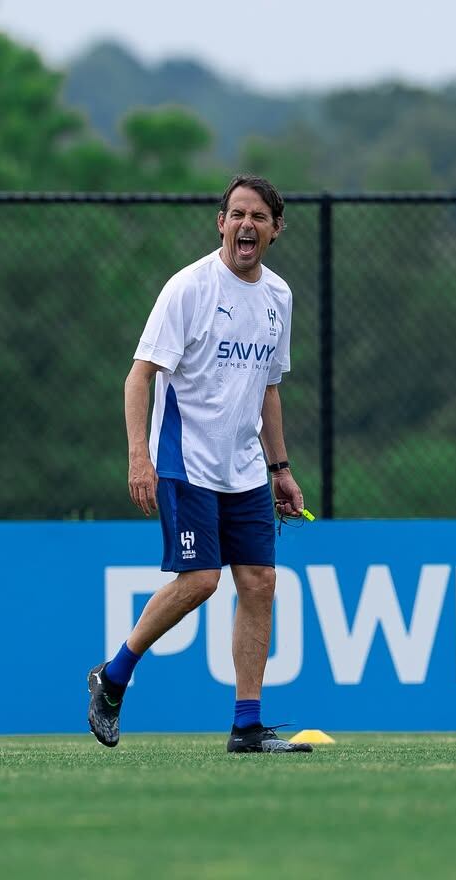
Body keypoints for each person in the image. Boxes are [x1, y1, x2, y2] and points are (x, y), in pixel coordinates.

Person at [88, 174, 312, 754]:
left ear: (275, 229)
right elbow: (140, 376)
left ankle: (246, 726)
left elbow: (267, 387)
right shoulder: (188, 287)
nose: (246, 225)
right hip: (184, 462)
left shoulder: (278, 298)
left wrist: (280, 467)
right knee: (200, 582)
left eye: (258, 217)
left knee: (260, 583)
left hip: (243, 469)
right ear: (221, 223)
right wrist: (140, 457)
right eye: (236, 214)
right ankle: (112, 677)